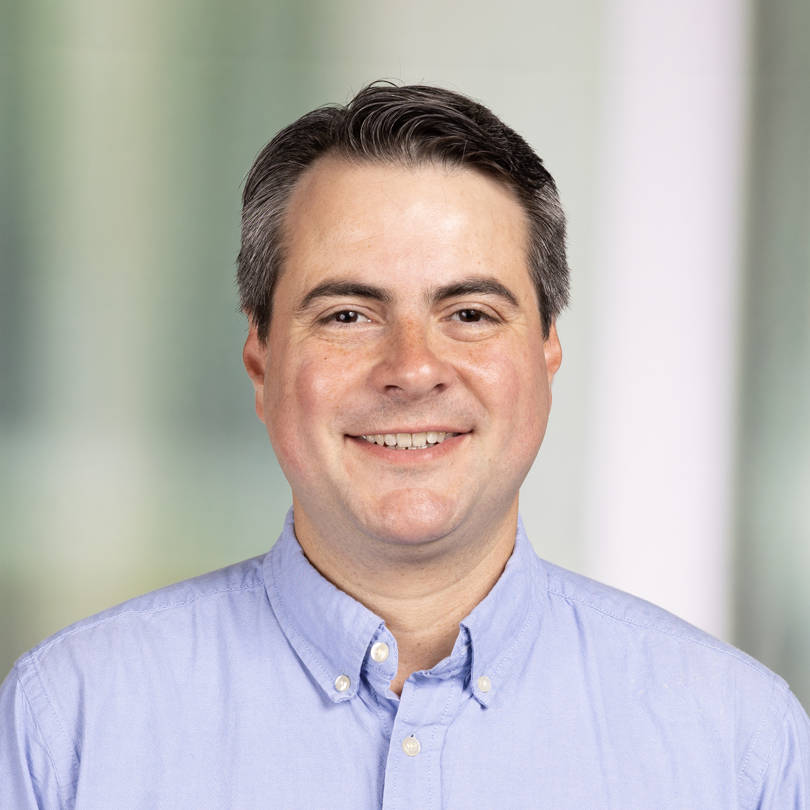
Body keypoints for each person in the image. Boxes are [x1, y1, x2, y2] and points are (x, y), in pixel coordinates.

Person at [1, 82, 808, 809]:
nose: (413, 369)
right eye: (348, 314)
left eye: (471, 313)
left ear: (548, 352)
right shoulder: (67, 727)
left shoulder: (738, 746)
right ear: (260, 356)